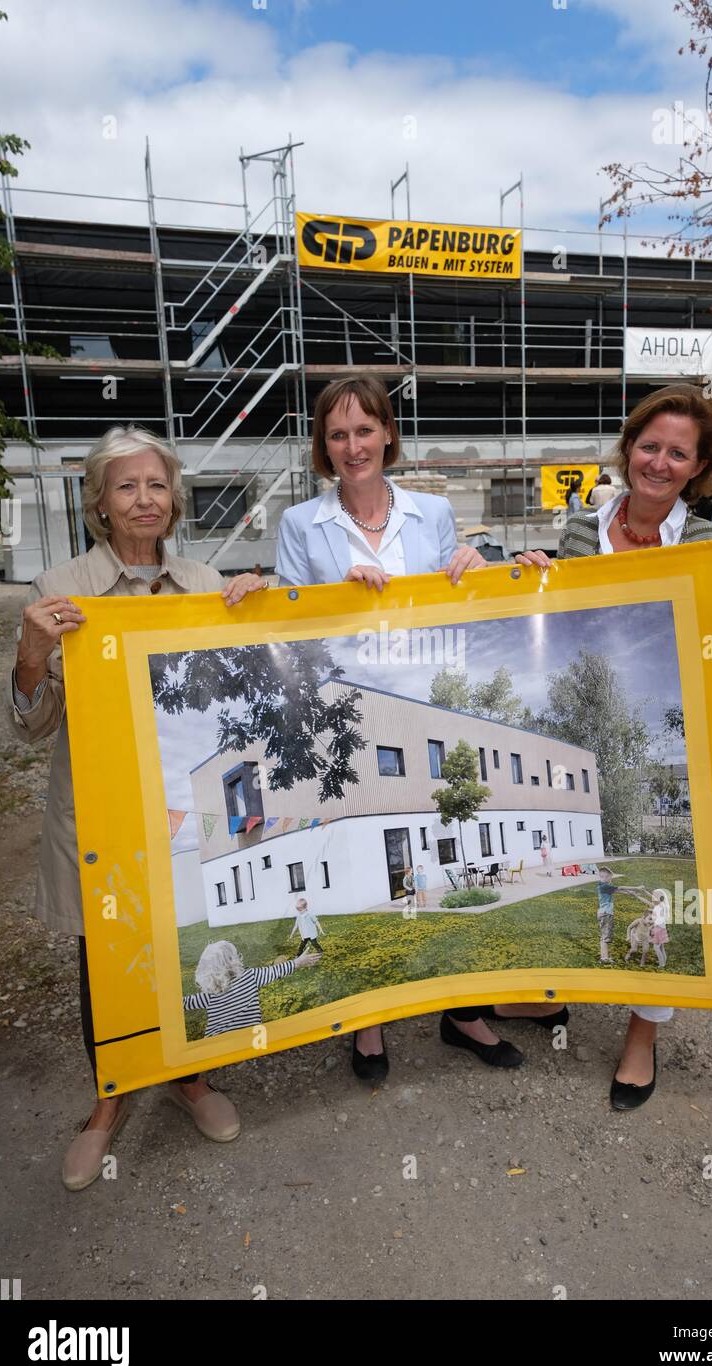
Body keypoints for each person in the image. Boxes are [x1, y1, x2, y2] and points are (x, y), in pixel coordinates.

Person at [7, 424, 267, 1191]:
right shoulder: (60, 588)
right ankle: (109, 1100)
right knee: (109, 958)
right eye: (127, 486)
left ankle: (191, 1078)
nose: (144, 499)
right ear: (100, 502)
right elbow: (31, 726)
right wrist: (29, 658)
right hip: (103, 815)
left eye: (157, 484)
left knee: (189, 936)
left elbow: (238, 694)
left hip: (182, 810)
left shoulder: (200, 579)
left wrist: (251, 617)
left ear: (175, 497)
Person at [513, 383, 712, 1111]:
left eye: (676, 452)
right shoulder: (580, 531)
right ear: (629, 450)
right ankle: (555, 992)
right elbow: (555, 630)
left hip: (673, 726)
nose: (658, 461)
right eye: (648, 445)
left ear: (698, 466)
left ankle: (641, 1036)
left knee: (674, 883)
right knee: (605, 855)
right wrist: (528, 585)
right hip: (598, 721)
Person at [274, 373, 526, 1081]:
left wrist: (473, 568)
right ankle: (371, 1023)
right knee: (364, 864)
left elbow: (456, 611)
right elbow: (292, 631)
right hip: (348, 719)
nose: (353, 445)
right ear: (323, 447)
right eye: (337, 434)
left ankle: (463, 1013)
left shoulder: (434, 512)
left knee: (448, 851)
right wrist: (333, 601)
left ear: (388, 433)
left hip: (425, 706)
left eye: (365, 429)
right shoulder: (301, 525)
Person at [184, 940, 319, 1037]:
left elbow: (185, 1003)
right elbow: (275, 971)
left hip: (215, 1042)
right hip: (250, 1038)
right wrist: (297, 962)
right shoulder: (250, 976)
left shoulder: (210, 992)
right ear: (234, 959)